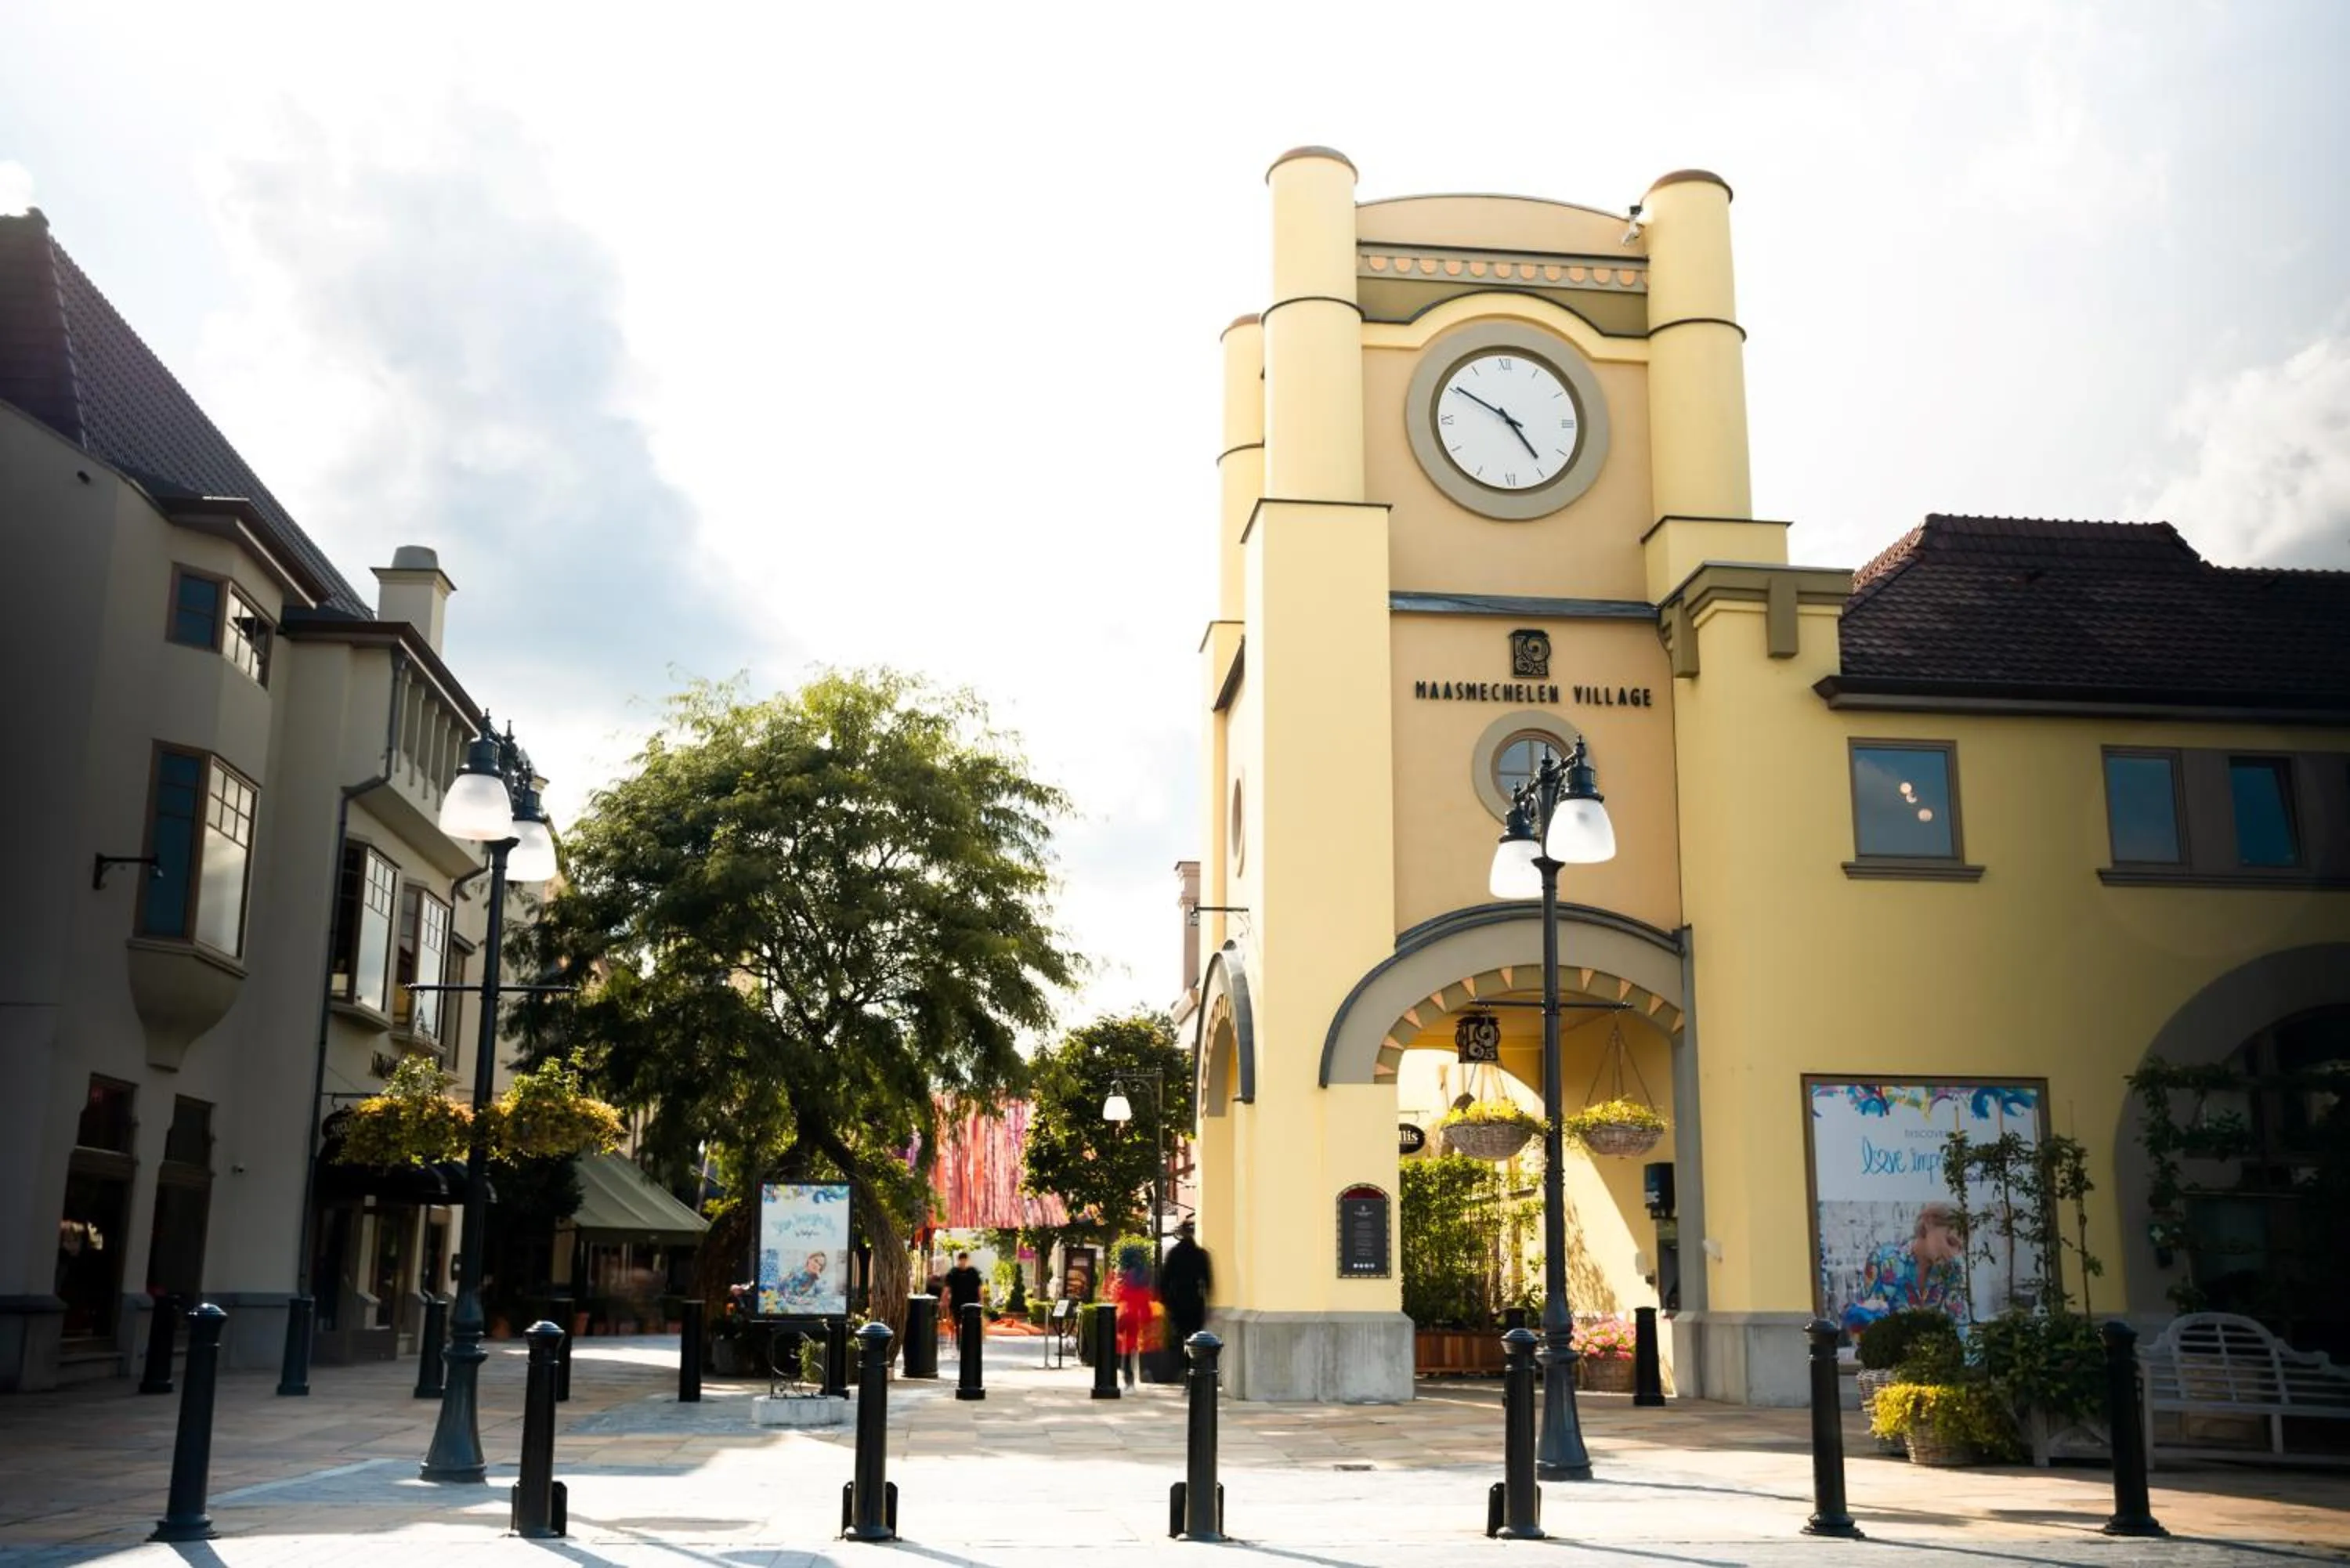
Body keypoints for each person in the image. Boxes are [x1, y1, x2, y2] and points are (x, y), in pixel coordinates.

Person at [1842, 1201, 1972, 1334]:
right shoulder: (1883, 1261)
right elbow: (1863, 1324)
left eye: (1960, 1248)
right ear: (1929, 1223)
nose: (1953, 1253)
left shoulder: (1952, 1269)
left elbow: (1961, 1325)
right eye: (1950, 1242)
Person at [1159, 1220, 1213, 1357]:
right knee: (1195, 1335)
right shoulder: (1201, 1254)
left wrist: (1165, 1301)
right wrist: (1209, 1301)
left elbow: (1165, 1279)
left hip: (1177, 1299)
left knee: (1179, 1334)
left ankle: (1182, 1365)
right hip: (1195, 1300)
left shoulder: (1174, 1253)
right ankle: (1192, 1365)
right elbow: (1208, 1280)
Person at [1110, 1243, 1156, 1388]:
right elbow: (1145, 1299)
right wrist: (1148, 1317)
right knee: (1137, 1347)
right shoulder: (1143, 1279)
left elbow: (1117, 1297)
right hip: (1139, 1316)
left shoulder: (1124, 1278)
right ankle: (1142, 1371)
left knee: (1126, 1349)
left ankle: (1129, 1378)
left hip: (1127, 1315)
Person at [943, 1249, 984, 1342]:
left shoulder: (973, 1272)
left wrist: (981, 1300)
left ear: (967, 1260)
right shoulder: (953, 1272)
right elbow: (947, 1288)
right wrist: (944, 1300)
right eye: (961, 1260)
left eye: (964, 1260)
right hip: (957, 1302)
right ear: (959, 1260)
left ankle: (967, 1341)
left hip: (971, 1303)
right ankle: (959, 1341)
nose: (963, 1262)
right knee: (957, 1323)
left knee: (969, 1323)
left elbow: (979, 1287)